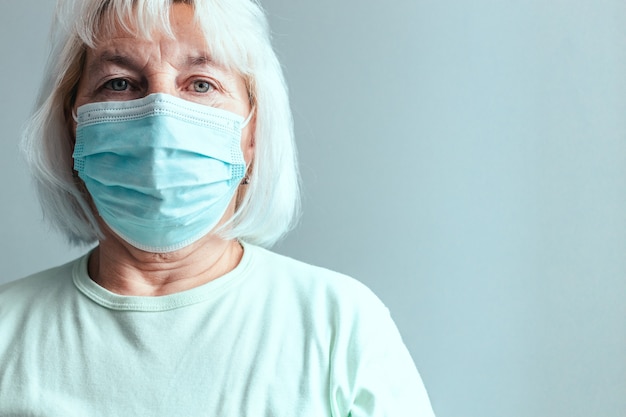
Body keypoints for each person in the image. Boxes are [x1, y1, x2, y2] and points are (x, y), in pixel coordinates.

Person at [0, 0, 436, 415]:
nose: (160, 116)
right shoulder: (8, 329)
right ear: (72, 128)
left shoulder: (339, 324)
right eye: (119, 83)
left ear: (251, 135)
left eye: (201, 84)